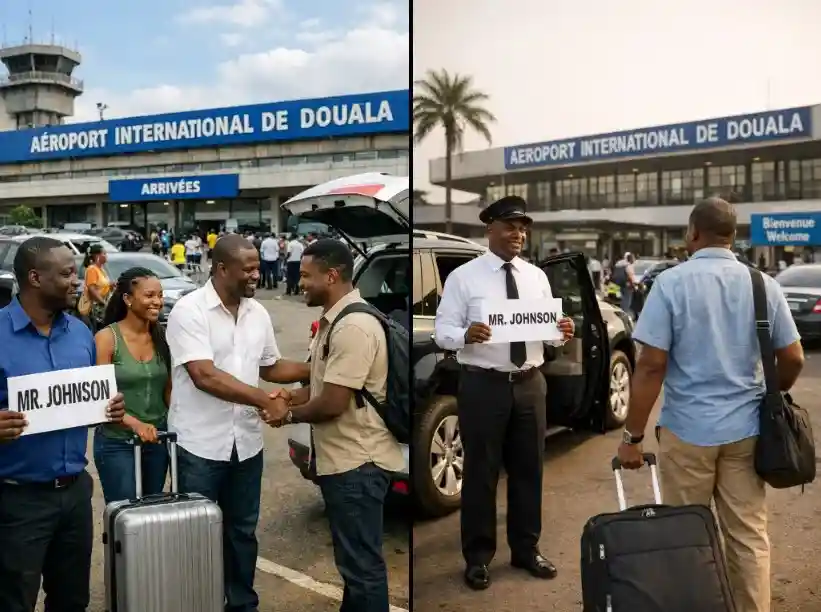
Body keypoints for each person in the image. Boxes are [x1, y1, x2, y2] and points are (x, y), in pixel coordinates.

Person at [617, 198, 805, 612]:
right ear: (733, 236)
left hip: (687, 432)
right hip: (747, 432)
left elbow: (650, 366)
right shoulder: (763, 284)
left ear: (692, 234)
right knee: (748, 536)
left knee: (686, 535)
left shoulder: (670, 284)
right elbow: (792, 357)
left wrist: (632, 436)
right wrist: (772, 395)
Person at [434, 195, 575, 591]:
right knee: (481, 473)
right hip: (483, 383)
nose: (519, 233)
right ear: (490, 228)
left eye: (523, 227)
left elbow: (547, 331)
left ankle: (526, 549)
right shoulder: (465, 277)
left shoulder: (536, 276)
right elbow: (443, 330)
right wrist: (465, 335)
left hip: (530, 382)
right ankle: (478, 558)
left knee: (529, 470)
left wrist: (561, 332)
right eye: (511, 226)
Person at [165, 233, 311, 612]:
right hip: (198, 445)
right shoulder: (189, 310)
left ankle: (242, 604)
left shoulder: (257, 313)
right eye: (247, 269)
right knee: (196, 535)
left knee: (242, 532)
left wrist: (322, 367)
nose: (255, 275)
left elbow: (271, 366)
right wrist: (266, 400)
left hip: (245, 443)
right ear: (221, 268)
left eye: (257, 268)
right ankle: (198, 602)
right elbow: (205, 375)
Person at [264, 239, 404, 611]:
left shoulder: (354, 326)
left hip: (357, 463)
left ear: (332, 275)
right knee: (353, 566)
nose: (301, 282)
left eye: (308, 276)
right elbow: (323, 384)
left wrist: (287, 415)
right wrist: (287, 398)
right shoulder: (335, 321)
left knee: (362, 568)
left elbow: (332, 403)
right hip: (343, 462)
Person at [0, 236, 126, 612]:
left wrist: (107, 407)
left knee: (72, 600)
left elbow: (81, 402)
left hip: (74, 494)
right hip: (16, 500)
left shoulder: (82, 333)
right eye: (68, 273)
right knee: (12, 601)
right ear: (35, 278)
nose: (78, 281)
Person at [93, 267, 172, 504]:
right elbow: (100, 398)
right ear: (127, 299)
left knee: (151, 514)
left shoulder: (163, 338)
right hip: (117, 442)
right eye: (149, 296)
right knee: (125, 515)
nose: (157, 302)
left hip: (156, 440)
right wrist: (136, 424)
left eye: (160, 295)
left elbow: (168, 391)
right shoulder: (107, 339)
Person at [82, 243, 112, 331]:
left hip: (102, 305)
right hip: (96, 307)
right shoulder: (92, 269)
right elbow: (92, 288)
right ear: (97, 256)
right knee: (98, 330)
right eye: (104, 253)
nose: (106, 256)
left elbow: (102, 286)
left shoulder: (101, 269)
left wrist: (110, 285)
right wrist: (102, 302)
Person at [611, 252, 636, 316]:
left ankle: (617, 311)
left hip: (615, 283)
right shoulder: (628, 265)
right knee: (627, 298)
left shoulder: (618, 263)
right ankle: (624, 312)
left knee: (618, 298)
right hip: (626, 284)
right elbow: (631, 275)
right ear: (630, 258)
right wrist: (634, 283)